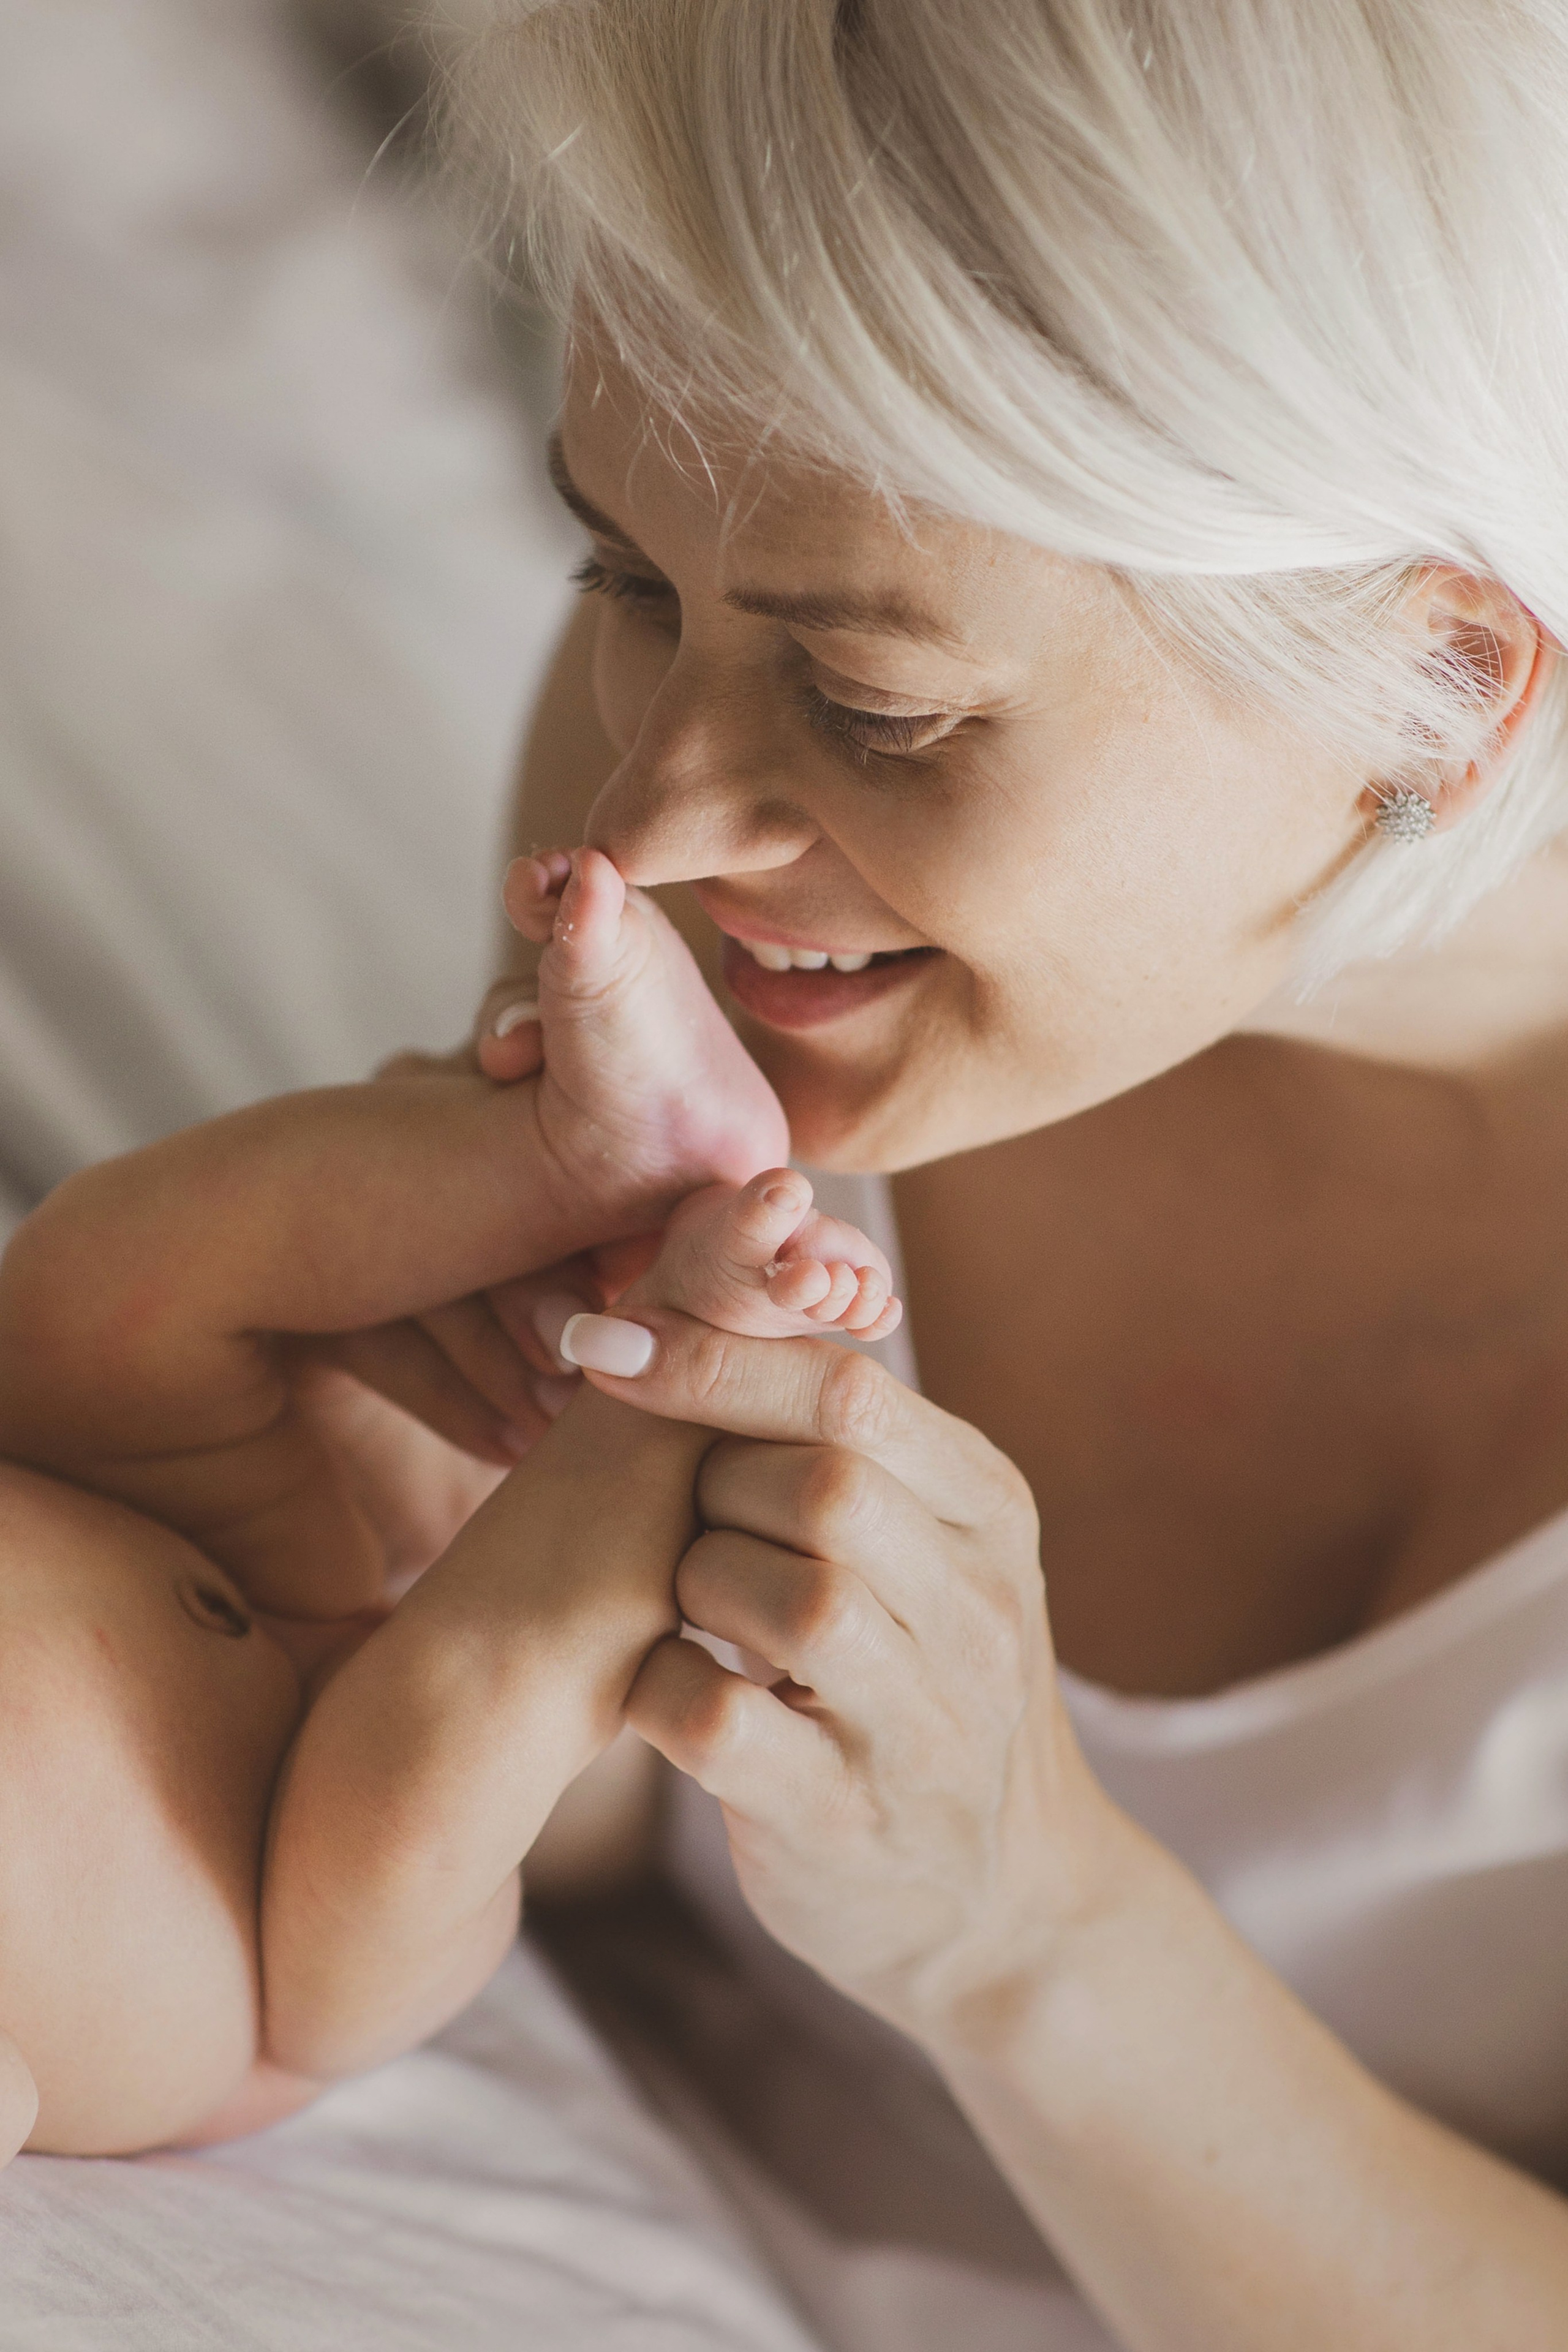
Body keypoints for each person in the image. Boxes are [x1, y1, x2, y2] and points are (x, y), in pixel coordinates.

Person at [393, 2, 1568, 2346]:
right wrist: (474, 1545)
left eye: (884, 713)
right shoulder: (707, 829)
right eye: (623, 574)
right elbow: (544, 1805)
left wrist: (1023, 1927)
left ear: (1440, 688)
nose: (645, 831)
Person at [0, 844, 898, 2163]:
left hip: (109, 1494)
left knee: (93, 1281)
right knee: (450, 1749)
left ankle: (578, 1155)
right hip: (270, 1905)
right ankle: (688, 1335)